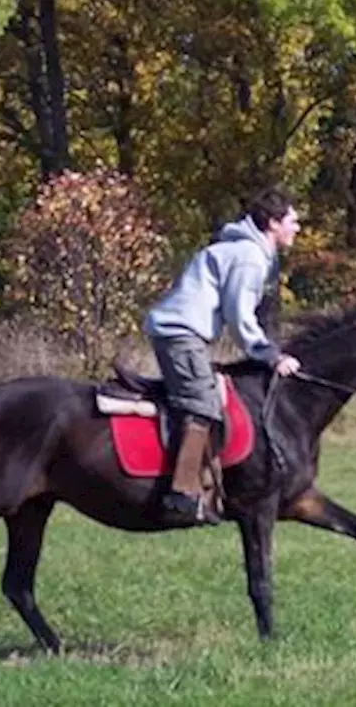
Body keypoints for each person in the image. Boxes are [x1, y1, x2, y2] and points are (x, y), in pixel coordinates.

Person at [143, 187, 302, 524]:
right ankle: (183, 494)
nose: (297, 228)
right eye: (292, 220)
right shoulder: (248, 256)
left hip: (183, 334)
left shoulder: (246, 251)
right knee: (204, 404)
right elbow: (240, 318)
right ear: (273, 223)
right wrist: (271, 355)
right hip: (180, 334)